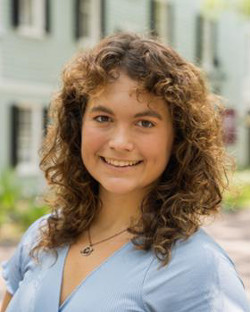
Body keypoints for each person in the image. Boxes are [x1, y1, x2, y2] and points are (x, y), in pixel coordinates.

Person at [1, 32, 249, 312]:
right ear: (78, 127)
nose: (120, 142)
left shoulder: (199, 269)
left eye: (144, 123)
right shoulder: (42, 235)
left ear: (177, 139)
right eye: (103, 118)